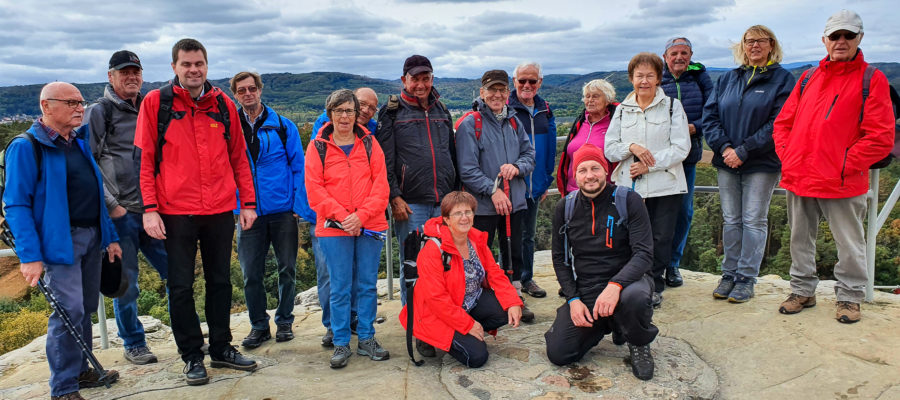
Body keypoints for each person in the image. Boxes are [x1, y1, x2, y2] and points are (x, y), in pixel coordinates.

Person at [135, 38, 258, 385]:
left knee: (221, 281)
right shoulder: (156, 103)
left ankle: (221, 348)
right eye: (186, 64)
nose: (193, 70)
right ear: (174, 67)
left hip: (219, 207)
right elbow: (144, 160)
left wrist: (247, 203)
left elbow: (239, 158)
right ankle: (191, 355)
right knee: (180, 286)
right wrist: (149, 209)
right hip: (175, 210)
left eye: (199, 64)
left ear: (207, 66)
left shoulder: (223, 105)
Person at [773, 10, 895, 323]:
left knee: (849, 243)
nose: (841, 41)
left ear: (859, 39)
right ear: (825, 40)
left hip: (842, 180)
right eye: (835, 36)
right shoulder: (808, 77)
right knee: (799, 239)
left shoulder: (872, 79)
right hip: (800, 175)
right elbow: (783, 123)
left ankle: (850, 297)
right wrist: (790, 156)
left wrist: (842, 164)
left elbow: (880, 136)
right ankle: (802, 291)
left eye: (848, 36)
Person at [5, 82, 123, 400]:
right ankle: (63, 387)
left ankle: (80, 370)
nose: (79, 108)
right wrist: (30, 256)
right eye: (70, 102)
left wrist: (110, 237)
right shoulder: (26, 146)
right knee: (68, 310)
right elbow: (16, 204)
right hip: (60, 243)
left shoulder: (77, 141)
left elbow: (95, 193)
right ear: (46, 106)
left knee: (84, 307)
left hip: (92, 237)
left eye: (80, 101)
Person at [544, 144, 657, 381]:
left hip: (628, 282)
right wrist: (573, 299)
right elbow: (560, 259)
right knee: (559, 352)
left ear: (606, 171)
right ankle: (612, 322)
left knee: (634, 298)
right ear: (575, 176)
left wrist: (615, 286)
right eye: (582, 170)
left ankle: (637, 340)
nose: (589, 175)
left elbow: (644, 254)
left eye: (595, 168)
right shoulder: (566, 207)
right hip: (588, 286)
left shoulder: (629, 200)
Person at [83, 50, 168, 365]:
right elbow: (86, 163)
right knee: (126, 284)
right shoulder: (99, 113)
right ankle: (133, 343)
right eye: (124, 72)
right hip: (121, 215)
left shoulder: (150, 108)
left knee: (177, 273)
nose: (131, 77)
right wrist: (112, 205)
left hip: (155, 211)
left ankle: (186, 334)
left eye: (136, 71)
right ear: (110, 76)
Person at [703, 25, 795, 303]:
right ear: (742, 46)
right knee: (731, 220)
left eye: (761, 41)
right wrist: (725, 148)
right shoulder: (728, 78)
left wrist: (744, 150)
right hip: (726, 160)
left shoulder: (782, 80)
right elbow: (710, 116)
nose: (754, 46)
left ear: (771, 45)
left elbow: (779, 122)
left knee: (753, 220)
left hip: (762, 162)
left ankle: (746, 278)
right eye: (749, 41)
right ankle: (728, 274)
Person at [305, 89, 391, 369]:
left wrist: (362, 216)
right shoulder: (317, 146)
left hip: (369, 225)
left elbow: (381, 186)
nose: (345, 116)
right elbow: (315, 191)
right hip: (333, 227)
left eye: (350, 111)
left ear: (357, 115)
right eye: (339, 110)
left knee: (367, 285)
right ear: (329, 113)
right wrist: (344, 217)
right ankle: (341, 342)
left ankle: (367, 337)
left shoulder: (369, 143)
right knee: (340, 287)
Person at [229, 71, 315, 348]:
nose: (247, 94)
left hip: (282, 211)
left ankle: (285, 321)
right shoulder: (230, 128)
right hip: (248, 212)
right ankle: (258, 326)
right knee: (250, 273)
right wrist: (238, 206)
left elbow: (298, 166)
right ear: (235, 95)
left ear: (260, 90)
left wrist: (296, 206)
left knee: (287, 268)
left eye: (251, 88)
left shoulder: (282, 126)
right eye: (241, 90)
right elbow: (225, 170)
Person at [399, 191, 523, 367]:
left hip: (467, 302)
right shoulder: (434, 249)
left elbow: (494, 272)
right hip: (436, 312)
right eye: (457, 213)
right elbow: (436, 299)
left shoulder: (475, 238)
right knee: (477, 357)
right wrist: (467, 325)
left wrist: (513, 302)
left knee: (505, 310)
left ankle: (463, 333)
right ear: (446, 219)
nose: (464, 218)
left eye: (468, 212)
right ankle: (429, 336)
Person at [605, 52, 690, 308]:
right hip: (629, 187)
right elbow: (610, 148)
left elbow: (681, 148)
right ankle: (631, 282)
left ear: (658, 78)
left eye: (649, 76)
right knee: (631, 236)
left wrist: (648, 165)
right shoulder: (622, 111)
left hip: (665, 184)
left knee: (661, 237)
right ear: (631, 78)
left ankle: (654, 285)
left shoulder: (673, 107)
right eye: (639, 76)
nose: (644, 81)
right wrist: (631, 147)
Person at [457, 69, 536, 322]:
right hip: (483, 206)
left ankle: (514, 299)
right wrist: (494, 191)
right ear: (482, 93)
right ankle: (482, 302)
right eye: (492, 90)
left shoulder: (515, 121)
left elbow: (529, 156)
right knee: (482, 256)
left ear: (507, 93)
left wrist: (517, 167)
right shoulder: (471, 123)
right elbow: (467, 169)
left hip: (515, 201)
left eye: (502, 90)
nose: (497, 95)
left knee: (514, 254)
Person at [375, 55, 456, 306]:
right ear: (403, 80)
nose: (420, 84)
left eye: (426, 78)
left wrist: (455, 195)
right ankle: (414, 319)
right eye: (414, 79)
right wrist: (395, 197)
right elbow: (385, 161)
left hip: (443, 200)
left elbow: (451, 152)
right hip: (410, 203)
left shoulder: (442, 109)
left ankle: (438, 312)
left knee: (443, 260)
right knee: (412, 262)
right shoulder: (391, 112)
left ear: (432, 78)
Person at [660, 37, 715, 288]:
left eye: (684, 53)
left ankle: (672, 264)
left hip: (688, 154)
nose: (679, 57)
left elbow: (713, 110)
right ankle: (651, 264)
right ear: (665, 57)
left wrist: (695, 128)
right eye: (674, 53)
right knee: (656, 211)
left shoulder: (700, 77)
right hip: (658, 156)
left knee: (683, 211)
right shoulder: (657, 77)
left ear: (691, 55)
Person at [508, 61, 555, 299]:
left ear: (540, 82)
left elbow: (550, 147)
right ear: (514, 81)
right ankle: (507, 283)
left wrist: (546, 180)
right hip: (511, 185)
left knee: (528, 235)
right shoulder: (506, 108)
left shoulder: (545, 108)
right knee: (507, 235)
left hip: (535, 185)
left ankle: (526, 278)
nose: (527, 85)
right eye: (522, 80)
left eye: (532, 81)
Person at [557, 79, 618, 195]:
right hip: (573, 193)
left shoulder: (615, 124)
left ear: (608, 100)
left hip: (604, 193)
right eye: (587, 96)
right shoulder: (579, 123)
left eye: (595, 96)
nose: (590, 100)